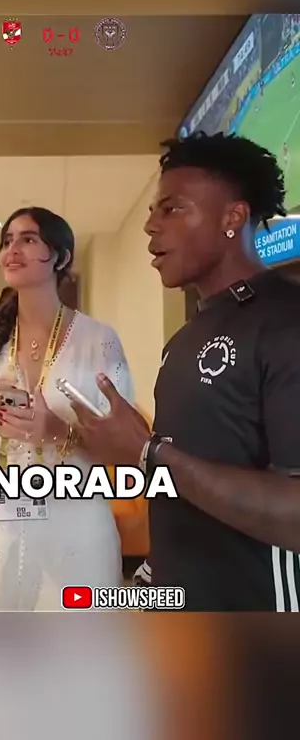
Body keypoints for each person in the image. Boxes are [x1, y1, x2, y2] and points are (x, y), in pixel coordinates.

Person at [71, 131, 300, 612]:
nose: (150, 226)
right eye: (153, 211)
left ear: (232, 218)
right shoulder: (182, 341)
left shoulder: (286, 319)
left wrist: (147, 451)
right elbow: (183, 482)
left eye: (172, 209)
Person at [0, 206, 134, 611]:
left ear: (61, 256)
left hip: (78, 522)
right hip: (6, 523)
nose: (12, 250)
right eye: (7, 241)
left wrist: (57, 430)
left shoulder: (99, 340)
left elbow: (127, 449)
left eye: (28, 239)